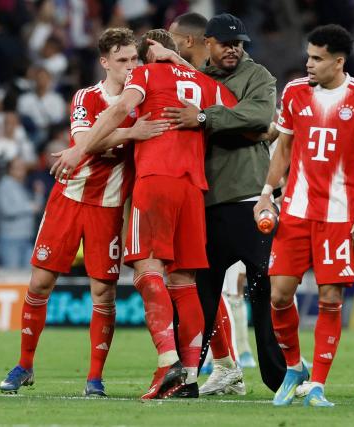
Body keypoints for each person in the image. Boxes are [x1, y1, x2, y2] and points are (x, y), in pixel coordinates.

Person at [58, 29, 237, 399]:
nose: (133, 65)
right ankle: (187, 378)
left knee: (145, 269)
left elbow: (120, 110)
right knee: (185, 280)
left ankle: (166, 361)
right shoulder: (202, 81)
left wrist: (80, 150)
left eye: (137, 57)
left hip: (156, 178)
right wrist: (184, 65)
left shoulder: (145, 75)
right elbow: (235, 109)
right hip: (194, 186)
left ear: (149, 54)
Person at [0, 28, 162, 397]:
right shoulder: (86, 97)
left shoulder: (144, 99)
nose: (131, 66)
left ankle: (94, 379)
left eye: (135, 59)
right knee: (40, 283)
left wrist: (124, 133)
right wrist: (132, 133)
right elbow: (82, 143)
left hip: (108, 207)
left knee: (103, 293)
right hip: (68, 199)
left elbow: (92, 143)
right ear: (105, 62)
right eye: (122, 60)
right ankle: (24, 365)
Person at [254, 24, 354, 407]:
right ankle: (295, 366)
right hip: (295, 210)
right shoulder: (295, 92)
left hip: (338, 215)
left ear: (338, 61)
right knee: (279, 296)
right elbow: (283, 146)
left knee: (330, 298)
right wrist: (267, 194)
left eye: (317, 58)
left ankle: (317, 383)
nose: (308, 64)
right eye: (308, 56)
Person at [152, 13, 286, 394]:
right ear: (206, 43)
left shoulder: (258, 76)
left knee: (265, 289)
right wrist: (237, 125)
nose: (234, 50)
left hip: (250, 199)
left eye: (239, 43)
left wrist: (205, 118)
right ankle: (187, 379)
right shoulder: (197, 79)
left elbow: (259, 115)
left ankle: (279, 379)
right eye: (226, 43)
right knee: (199, 295)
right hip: (205, 201)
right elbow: (249, 122)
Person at [0, 157, 43, 268]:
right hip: (10, 240)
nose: (22, 171)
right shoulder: (4, 186)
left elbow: (36, 208)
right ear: (10, 170)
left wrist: (39, 194)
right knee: (12, 277)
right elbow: (7, 210)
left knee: (27, 278)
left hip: (26, 238)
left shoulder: (21, 187)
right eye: (18, 168)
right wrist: (29, 207)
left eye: (23, 168)